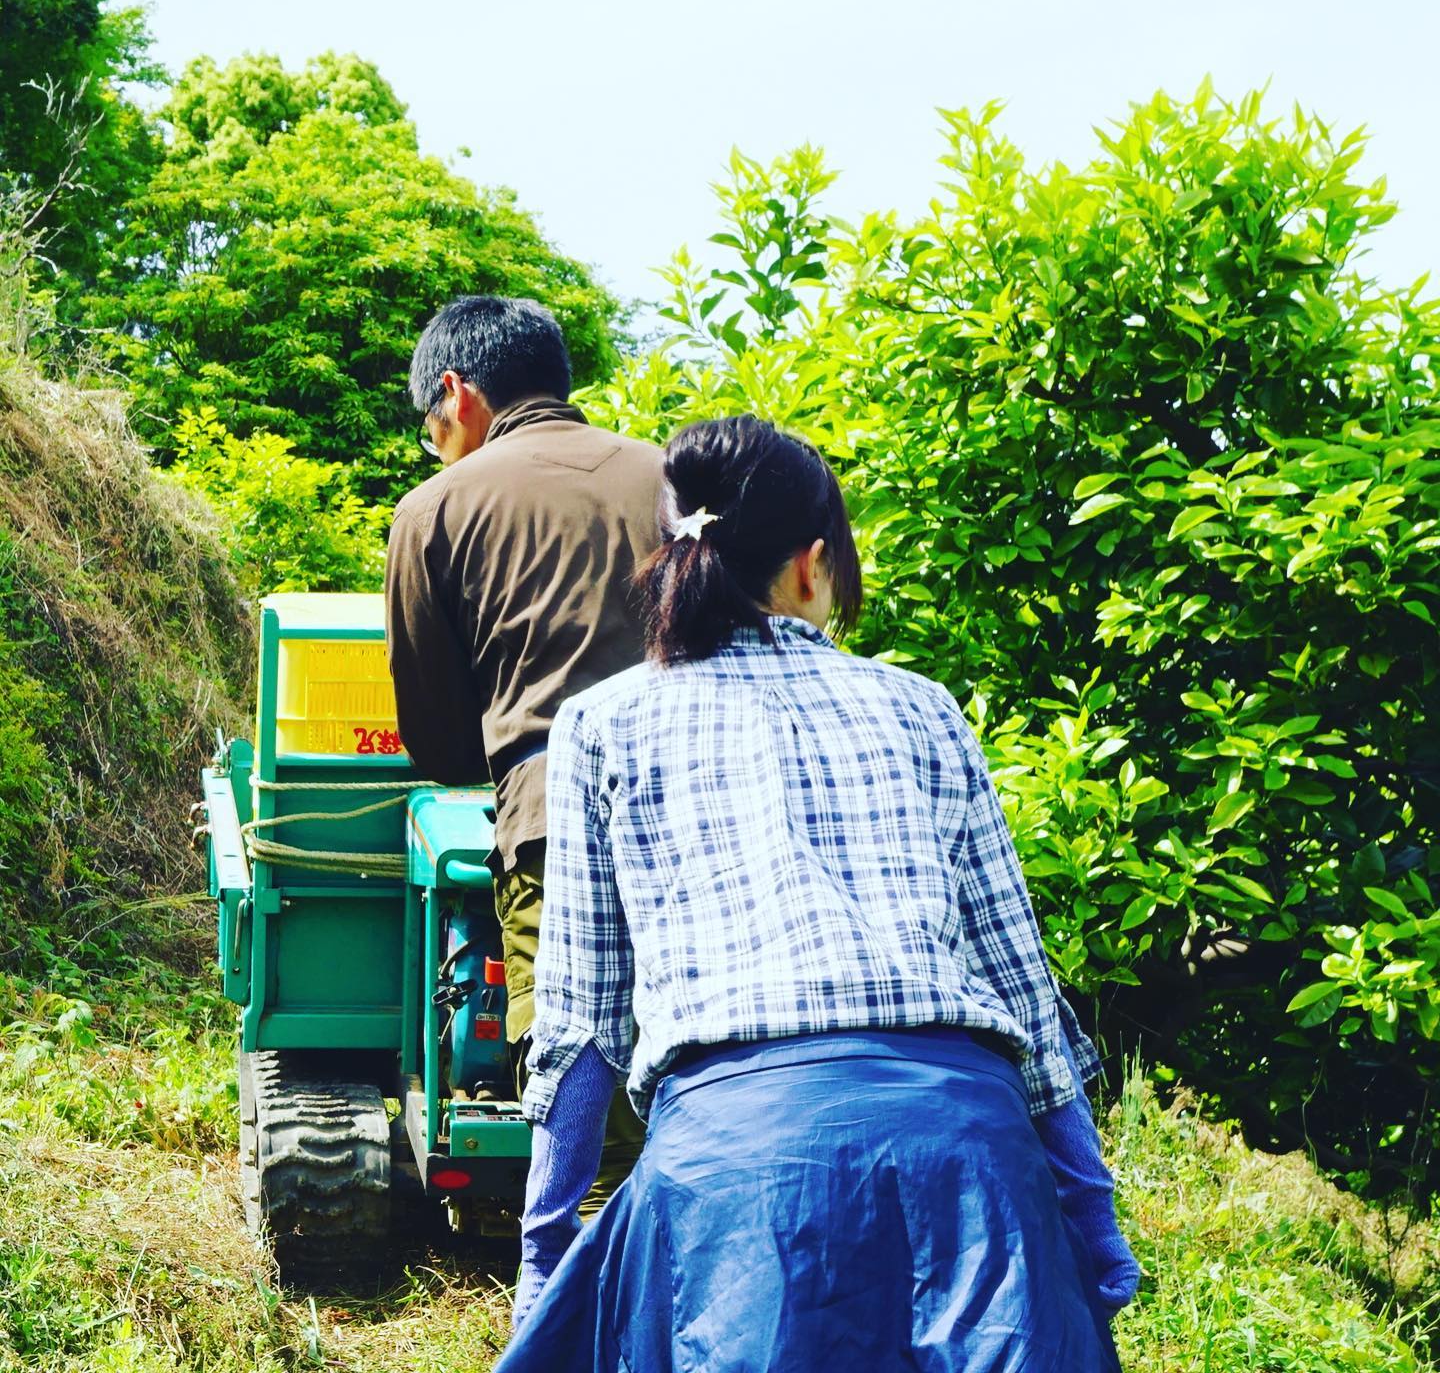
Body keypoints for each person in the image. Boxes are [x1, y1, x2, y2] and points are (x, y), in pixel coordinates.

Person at [499, 415, 1138, 1371]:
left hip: (738, 1177)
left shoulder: (600, 724)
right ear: (810, 565)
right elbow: (1024, 998)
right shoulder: (923, 707)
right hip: (965, 1163)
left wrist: (545, 1261)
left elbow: (580, 1032)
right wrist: (1092, 1220)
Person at [384, 294, 663, 1211]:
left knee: (585, 1102)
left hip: (555, 828)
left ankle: (599, 1323)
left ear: (456, 395)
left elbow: (437, 740)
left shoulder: (436, 509)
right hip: (711, 820)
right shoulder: (672, 482)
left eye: (432, 428)